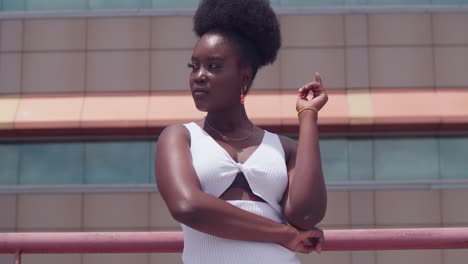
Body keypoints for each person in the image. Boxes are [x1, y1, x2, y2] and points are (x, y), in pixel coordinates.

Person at [155, 0, 328, 263]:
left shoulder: (283, 148)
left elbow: (306, 216)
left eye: (213, 66)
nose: (199, 76)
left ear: (244, 76)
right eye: (194, 67)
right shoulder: (180, 137)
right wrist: (282, 234)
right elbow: (187, 205)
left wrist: (308, 116)